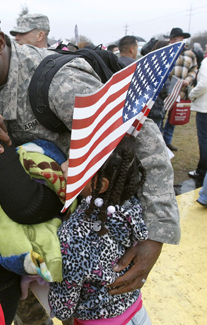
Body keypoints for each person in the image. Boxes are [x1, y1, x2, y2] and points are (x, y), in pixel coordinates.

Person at [0, 0, 179, 322]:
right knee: (28, 317)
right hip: (2, 240)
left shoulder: (60, 81)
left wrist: (157, 234)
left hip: (69, 241)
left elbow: (144, 141)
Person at [49, 136, 152, 324]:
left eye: (75, 164)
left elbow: (68, 284)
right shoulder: (131, 206)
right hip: (136, 311)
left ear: (100, 185)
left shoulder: (76, 233)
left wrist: (60, 312)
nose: (63, 167)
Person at [162, 27, 198, 152]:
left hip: (181, 92)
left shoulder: (190, 54)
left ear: (182, 39)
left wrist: (189, 79)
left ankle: (167, 141)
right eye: (171, 39)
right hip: (166, 91)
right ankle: (160, 142)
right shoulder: (167, 52)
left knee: (173, 118)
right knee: (161, 116)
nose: (172, 41)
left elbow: (194, 69)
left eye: (175, 39)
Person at [188, 56, 207, 180]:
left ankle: (202, 170)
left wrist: (192, 94)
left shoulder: (206, 62)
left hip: (205, 109)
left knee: (204, 140)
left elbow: (203, 84)